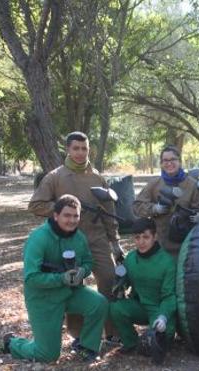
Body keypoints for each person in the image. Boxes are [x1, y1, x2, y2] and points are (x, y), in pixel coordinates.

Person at [28, 131, 120, 342]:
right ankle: (77, 334)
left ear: (89, 149)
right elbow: (36, 205)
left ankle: (112, 331)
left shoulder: (97, 177)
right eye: (76, 148)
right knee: (74, 285)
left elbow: (109, 211)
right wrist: (63, 208)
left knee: (109, 280)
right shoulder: (55, 177)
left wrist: (114, 241)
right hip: (69, 240)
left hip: (97, 239)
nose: (80, 153)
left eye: (84, 148)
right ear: (68, 149)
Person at [1, 195, 108, 363]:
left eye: (76, 216)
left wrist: (82, 271)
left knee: (99, 303)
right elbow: (31, 278)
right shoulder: (39, 238)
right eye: (67, 215)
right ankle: (12, 343)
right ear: (56, 215)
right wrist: (61, 279)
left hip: (70, 292)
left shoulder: (79, 237)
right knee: (47, 355)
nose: (72, 220)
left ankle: (87, 347)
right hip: (43, 299)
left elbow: (88, 261)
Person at [109, 218, 176, 363]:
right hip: (139, 306)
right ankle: (131, 343)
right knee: (116, 307)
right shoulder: (131, 258)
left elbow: (170, 296)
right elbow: (124, 283)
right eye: (137, 238)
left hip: (159, 310)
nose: (141, 242)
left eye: (146, 237)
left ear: (155, 236)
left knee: (161, 341)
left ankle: (160, 336)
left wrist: (163, 317)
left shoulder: (167, 262)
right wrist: (119, 285)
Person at [132, 145, 199, 256]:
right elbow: (137, 206)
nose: (169, 163)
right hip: (161, 243)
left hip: (185, 244)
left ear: (179, 161)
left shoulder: (192, 185)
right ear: (161, 163)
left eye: (173, 159)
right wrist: (154, 208)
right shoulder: (154, 184)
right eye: (165, 160)